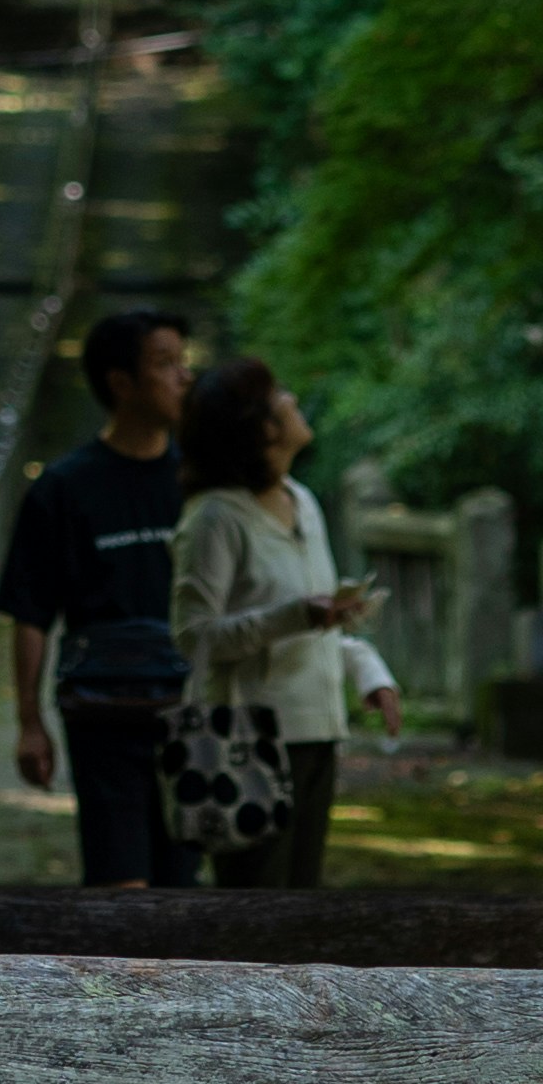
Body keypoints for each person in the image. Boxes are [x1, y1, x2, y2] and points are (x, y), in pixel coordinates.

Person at [1, 306, 196, 889]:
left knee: (185, 883)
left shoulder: (201, 482)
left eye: (184, 363)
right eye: (165, 364)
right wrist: (29, 723)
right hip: (102, 714)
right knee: (120, 885)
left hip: (191, 712)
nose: (183, 377)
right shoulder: (64, 487)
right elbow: (30, 613)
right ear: (121, 383)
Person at [171, 354, 364, 888]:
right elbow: (194, 635)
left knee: (301, 902)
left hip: (319, 732)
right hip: (248, 741)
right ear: (258, 426)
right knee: (252, 910)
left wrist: (370, 675)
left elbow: (317, 621)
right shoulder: (215, 517)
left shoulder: (303, 501)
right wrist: (296, 615)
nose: (293, 399)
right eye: (279, 394)